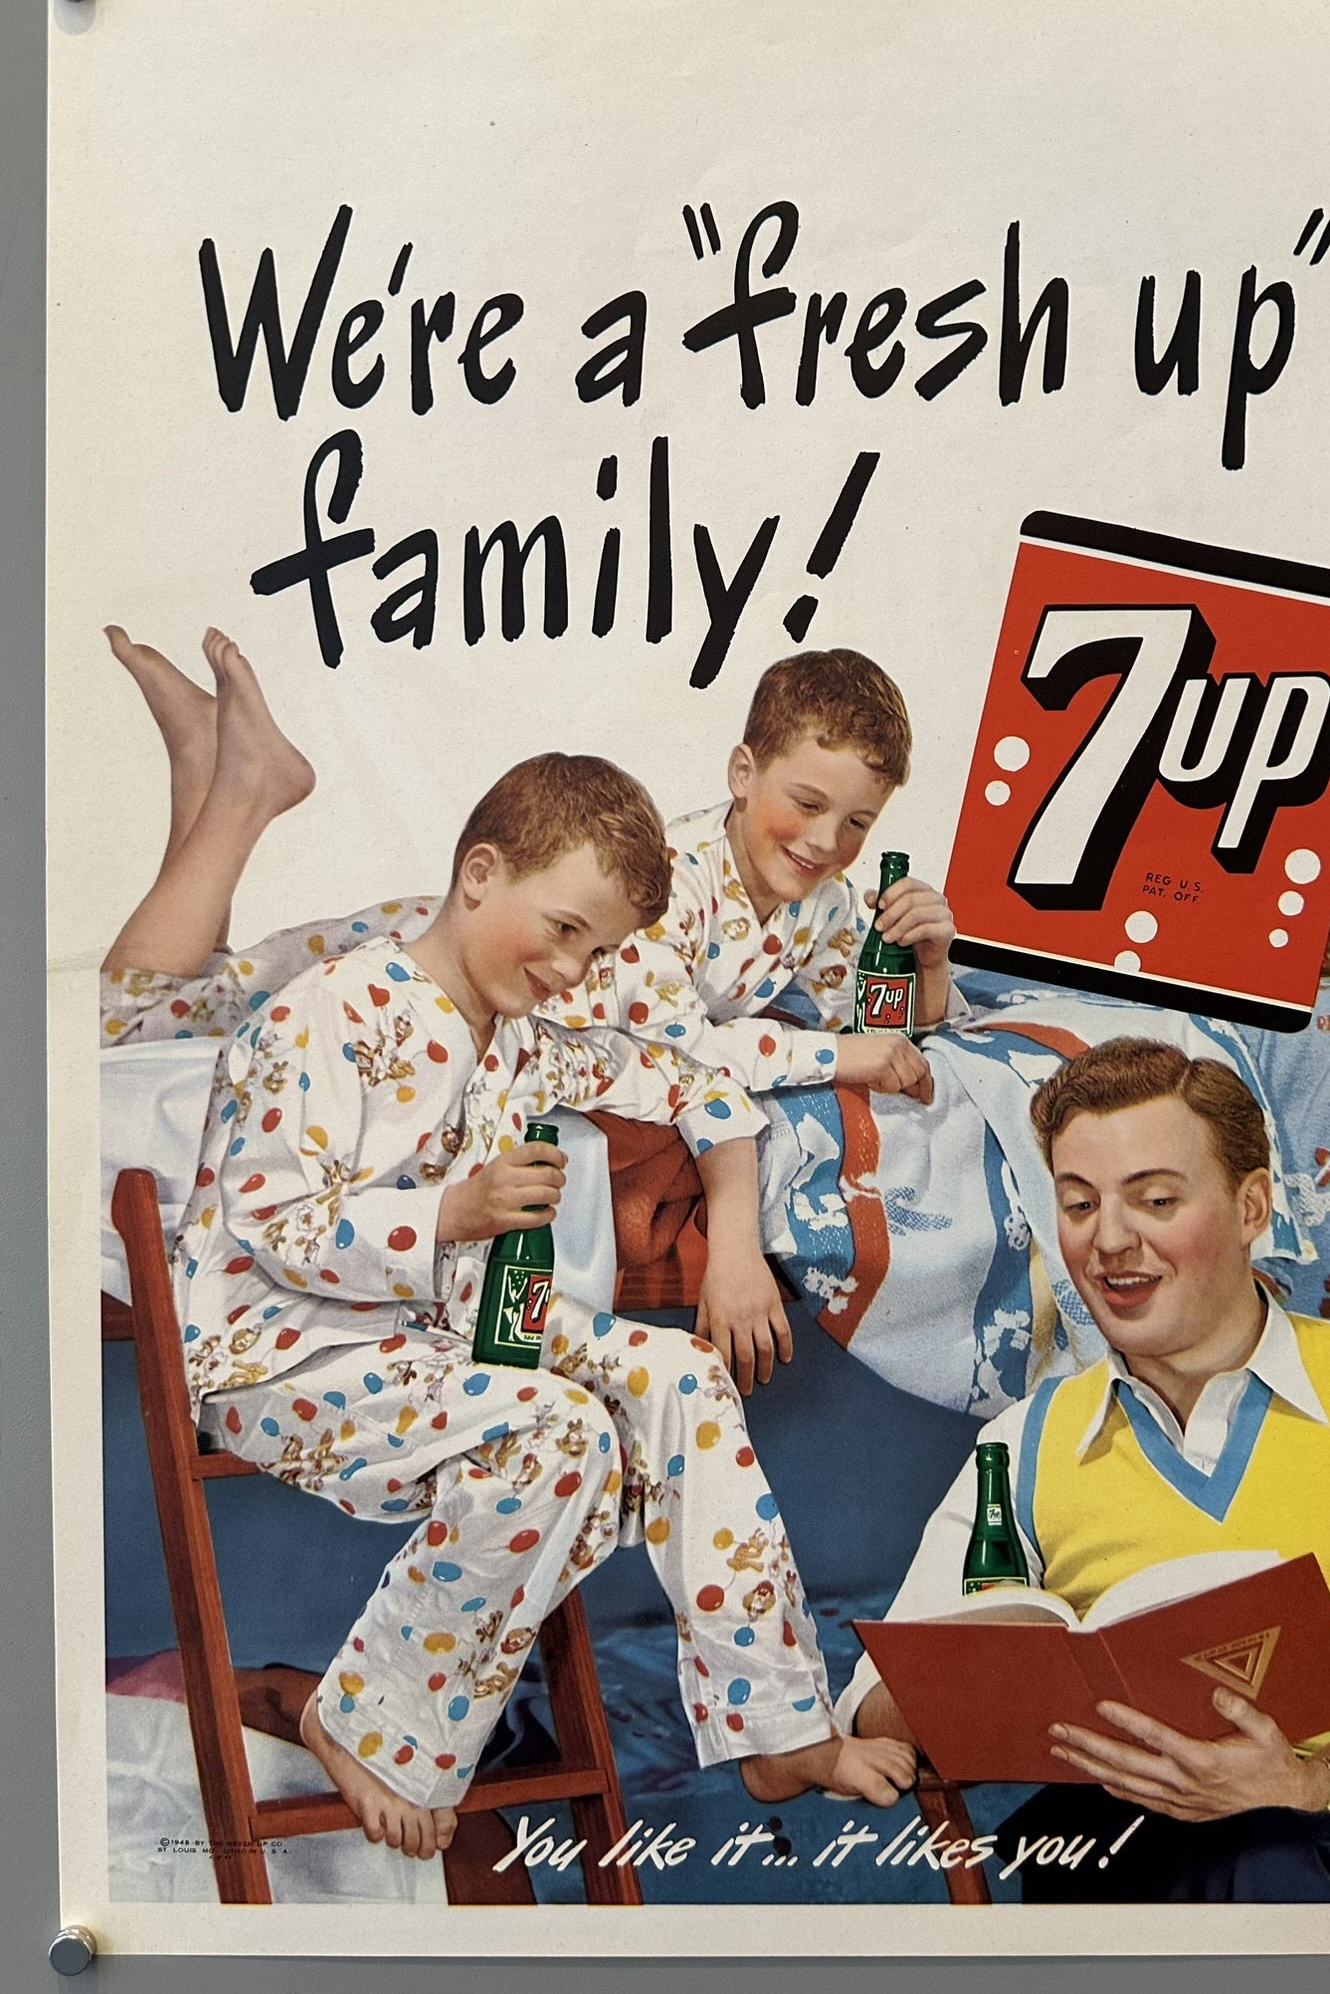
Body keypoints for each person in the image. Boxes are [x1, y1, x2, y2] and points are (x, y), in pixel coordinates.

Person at [138, 738, 919, 1860]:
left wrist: (738, 1222)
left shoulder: (526, 1041)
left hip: (438, 1337)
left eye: (595, 949)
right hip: (284, 1353)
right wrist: (448, 1215)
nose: (570, 968)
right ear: (478, 875)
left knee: (678, 1373)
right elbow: (272, 1229)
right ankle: (369, 1714)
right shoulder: (323, 1014)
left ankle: (775, 1720)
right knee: (563, 1434)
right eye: (561, 931)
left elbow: (696, 1080)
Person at [101, 634, 960, 1394]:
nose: (824, 841)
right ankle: (243, 786)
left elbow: (880, 1025)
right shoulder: (665, 885)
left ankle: (207, 767)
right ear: (743, 775)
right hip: (448, 962)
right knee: (136, 1019)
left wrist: (928, 964)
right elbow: (691, 1050)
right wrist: (835, 1060)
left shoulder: (826, 901)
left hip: (529, 987)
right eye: (806, 805)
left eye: (857, 822)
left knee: (182, 1001)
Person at [837, 1038, 1330, 1903]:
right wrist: (989, 1676)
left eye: (1157, 1199)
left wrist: (1302, 1782)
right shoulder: (1025, 1442)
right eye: (1078, 1204)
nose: (1109, 1241)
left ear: (1252, 1208)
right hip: (1118, 1855)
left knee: (1264, 1858)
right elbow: (879, 1706)